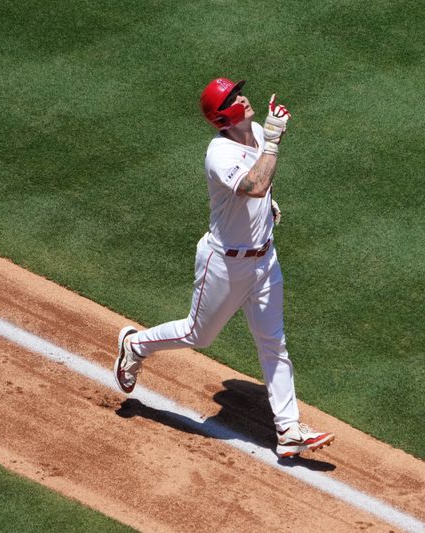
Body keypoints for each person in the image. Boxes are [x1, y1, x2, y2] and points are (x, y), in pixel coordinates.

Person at [114, 77, 334, 458]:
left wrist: (269, 209)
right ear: (221, 114)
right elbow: (254, 185)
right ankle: (134, 345)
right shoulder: (220, 153)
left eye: (239, 91)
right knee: (198, 335)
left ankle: (288, 430)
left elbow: (263, 189)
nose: (242, 97)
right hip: (225, 264)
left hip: (265, 259)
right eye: (233, 96)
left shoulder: (260, 137)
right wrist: (276, 142)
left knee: (273, 342)